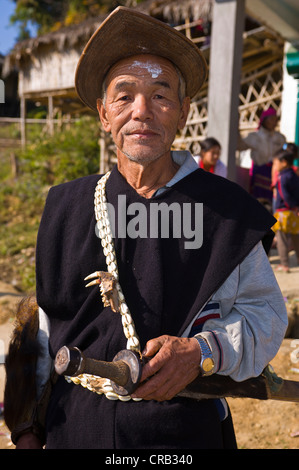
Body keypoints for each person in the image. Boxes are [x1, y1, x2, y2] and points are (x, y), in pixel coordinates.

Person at [5, 7, 288, 450]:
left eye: (160, 96)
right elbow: (42, 330)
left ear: (183, 112)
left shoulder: (227, 213)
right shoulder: (65, 207)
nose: (142, 112)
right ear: (103, 114)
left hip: (186, 435)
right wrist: (25, 430)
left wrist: (202, 352)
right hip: (72, 432)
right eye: (124, 96)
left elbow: (266, 317)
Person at [240, 107, 286, 207]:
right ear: (265, 120)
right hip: (259, 175)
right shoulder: (254, 137)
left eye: (276, 119)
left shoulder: (280, 138)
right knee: (258, 204)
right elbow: (240, 146)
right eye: (272, 119)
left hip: (274, 175)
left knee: (273, 204)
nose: (274, 122)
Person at [272, 149, 299, 272]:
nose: (275, 166)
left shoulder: (282, 177)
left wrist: (289, 205)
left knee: (281, 238)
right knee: (295, 237)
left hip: (283, 212)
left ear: (283, 163)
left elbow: (283, 194)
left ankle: (284, 263)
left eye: (275, 163)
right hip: (294, 212)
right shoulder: (294, 175)